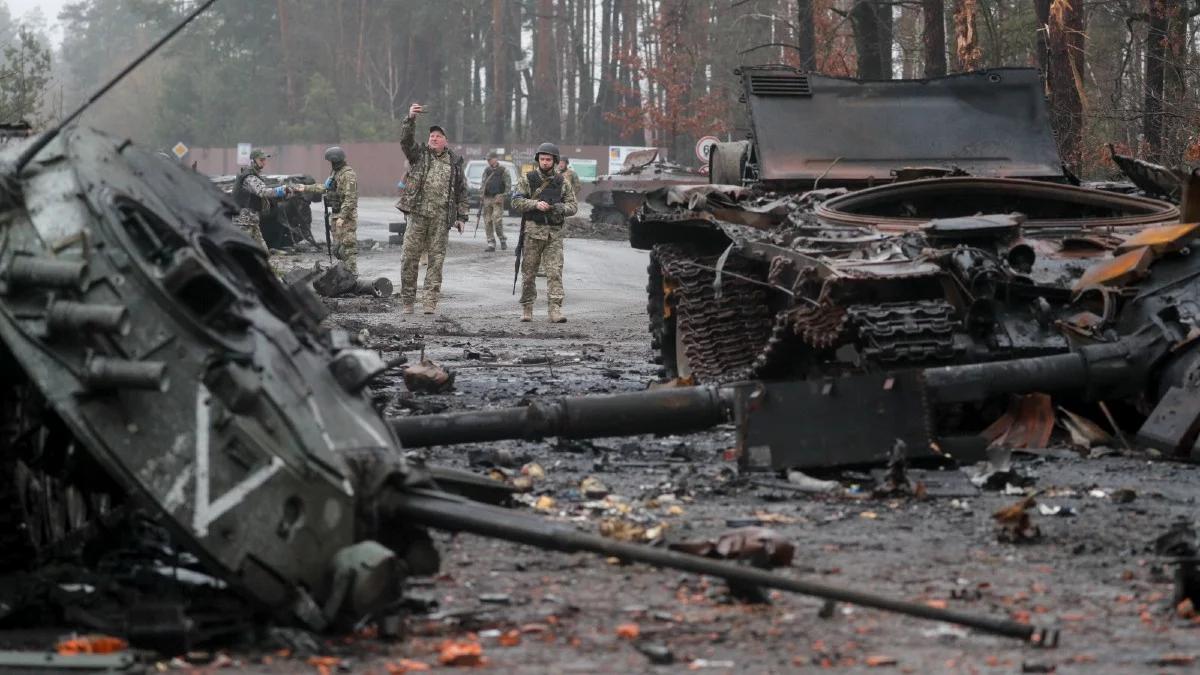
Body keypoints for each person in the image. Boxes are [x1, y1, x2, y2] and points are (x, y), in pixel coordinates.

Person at [395, 103, 468, 314]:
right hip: (417, 215)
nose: (433, 138)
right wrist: (410, 119)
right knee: (409, 258)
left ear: (445, 140)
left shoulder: (454, 162)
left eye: (438, 136)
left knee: (436, 262)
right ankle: (408, 301)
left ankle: (429, 302)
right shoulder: (419, 155)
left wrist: (461, 217)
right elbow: (405, 141)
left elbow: (461, 192)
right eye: (431, 136)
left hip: (440, 219)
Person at [513, 142, 576, 323]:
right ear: (538, 160)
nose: (545, 162)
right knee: (529, 272)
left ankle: (555, 309)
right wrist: (535, 204)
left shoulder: (562, 182)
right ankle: (527, 308)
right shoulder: (528, 179)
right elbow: (516, 202)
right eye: (542, 159)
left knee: (555, 272)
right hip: (533, 233)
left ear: (555, 161)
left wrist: (559, 208)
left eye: (549, 159)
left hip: (554, 234)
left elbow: (573, 206)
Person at [296, 146, 359, 275]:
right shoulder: (335, 173)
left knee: (348, 248)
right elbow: (324, 187)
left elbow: (351, 197)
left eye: (332, 161)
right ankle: (344, 274)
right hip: (336, 215)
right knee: (337, 249)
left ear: (336, 161)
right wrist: (305, 188)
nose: (331, 164)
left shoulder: (349, 175)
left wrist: (343, 216)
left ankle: (352, 275)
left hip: (346, 217)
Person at [232, 148, 289, 253]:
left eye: (264, 160)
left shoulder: (254, 175)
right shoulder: (249, 176)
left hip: (252, 221)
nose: (264, 162)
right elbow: (262, 191)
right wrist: (281, 190)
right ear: (253, 161)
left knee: (263, 253)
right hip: (243, 221)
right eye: (261, 160)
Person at [481, 151, 511, 252]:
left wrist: (503, 196)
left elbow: (508, 186)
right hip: (487, 198)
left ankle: (502, 239)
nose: (488, 161)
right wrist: (482, 195)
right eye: (487, 160)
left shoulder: (503, 170)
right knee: (487, 221)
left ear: (495, 159)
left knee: (497, 220)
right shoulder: (487, 170)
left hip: (498, 198)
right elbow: (483, 184)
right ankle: (491, 243)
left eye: (490, 159)